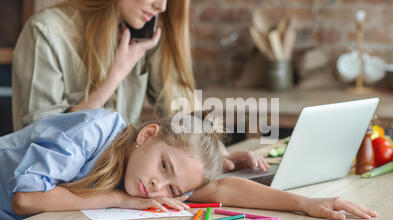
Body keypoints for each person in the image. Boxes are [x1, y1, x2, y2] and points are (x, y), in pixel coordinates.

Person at [0, 109, 378, 220]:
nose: (156, 187)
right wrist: (119, 198)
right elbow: (28, 199)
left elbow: (223, 190)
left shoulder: (147, 176)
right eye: (164, 166)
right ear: (147, 135)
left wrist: (306, 204)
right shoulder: (92, 133)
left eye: (172, 187)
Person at [12, 0, 266, 173]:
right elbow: (42, 142)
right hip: (52, 195)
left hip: (118, 188)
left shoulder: (144, 29)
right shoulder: (46, 32)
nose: (162, 6)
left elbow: (180, 107)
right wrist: (117, 73)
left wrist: (216, 154)